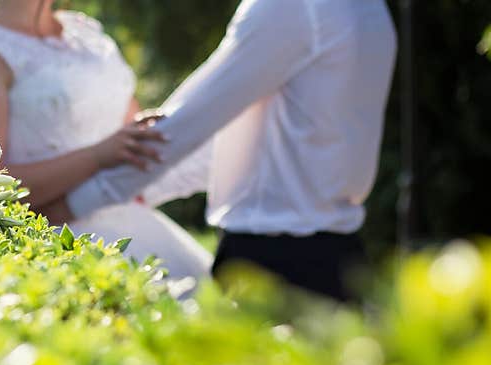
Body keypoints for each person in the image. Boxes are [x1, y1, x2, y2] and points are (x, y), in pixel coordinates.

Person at [64, 0, 398, 301]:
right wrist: (140, 194)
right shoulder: (369, 9)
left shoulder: (293, 7)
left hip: (271, 265)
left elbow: (186, 126)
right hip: (338, 257)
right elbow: (231, 140)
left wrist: (72, 203)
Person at [0, 0, 213, 281]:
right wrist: (99, 156)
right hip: (58, 241)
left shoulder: (85, 34)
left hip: (135, 223)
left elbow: (128, 126)